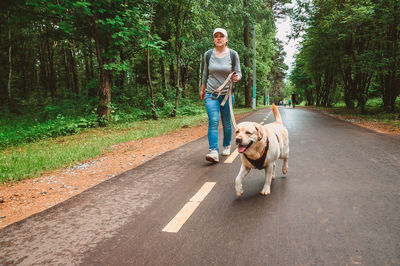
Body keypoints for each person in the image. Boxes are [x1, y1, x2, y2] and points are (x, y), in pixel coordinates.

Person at [200, 28, 242, 163]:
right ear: (213, 39)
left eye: (221, 36)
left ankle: (226, 145)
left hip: (227, 95)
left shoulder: (233, 55)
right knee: (213, 121)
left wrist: (237, 77)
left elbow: (239, 73)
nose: (219, 38)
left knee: (226, 123)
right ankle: (213, 151)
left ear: (226, 39)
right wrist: (202, 89)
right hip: (211, 94)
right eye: (216, 36)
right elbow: (205, 73)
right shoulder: (208, 55)